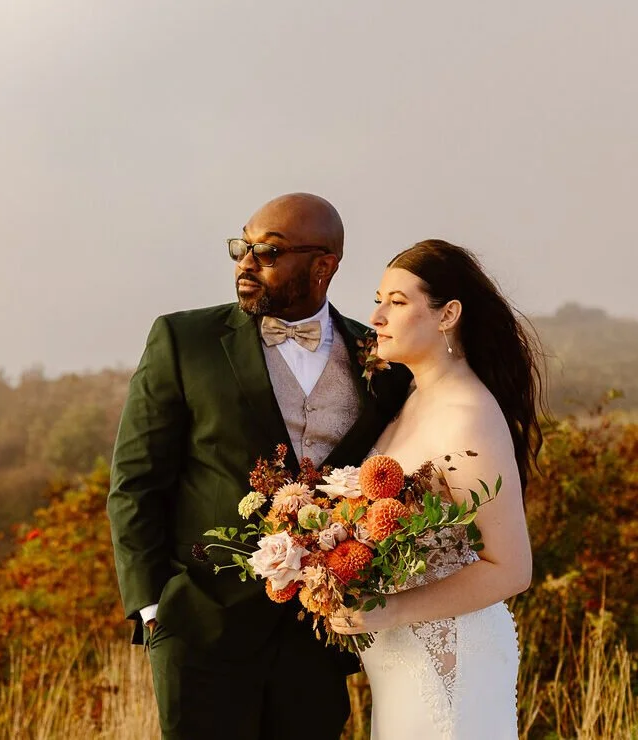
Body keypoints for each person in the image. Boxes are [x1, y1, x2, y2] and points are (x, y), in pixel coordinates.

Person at [107, 193, 412, 739]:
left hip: (316, 636)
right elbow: (136, 483)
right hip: (202, 627)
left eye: (267, 253)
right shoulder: (185, 340)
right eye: (241, 247)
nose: (245, 264)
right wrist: (154, 608)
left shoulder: (383, 360)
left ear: (323, 266)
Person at [326, 240, 538, 739]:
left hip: (448, 659)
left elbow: (512, 568)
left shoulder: (467, 415)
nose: (376, 316)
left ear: (448, 315)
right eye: (378, 299)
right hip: (398, 656)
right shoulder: (412, 397)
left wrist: (390, 609)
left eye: (397, 302)